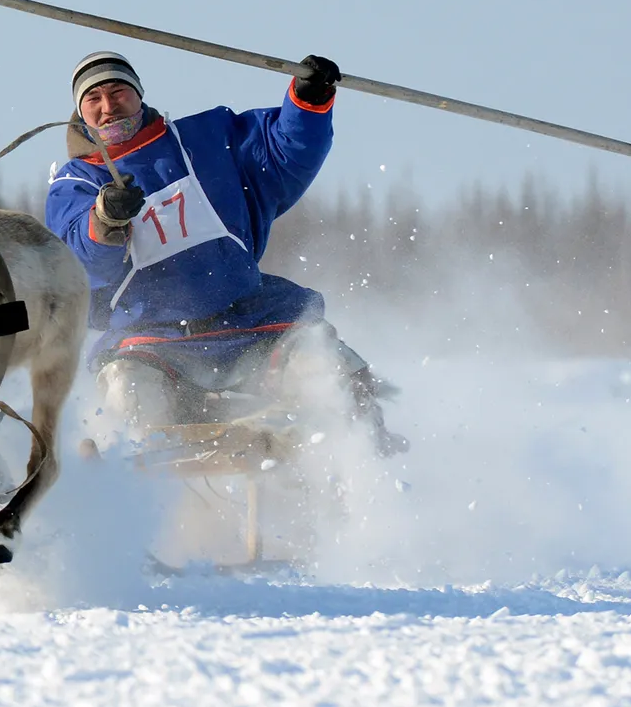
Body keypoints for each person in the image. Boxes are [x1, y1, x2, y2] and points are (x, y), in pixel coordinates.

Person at [44, 51, 405, 455]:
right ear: (80, 111)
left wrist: (308, 100)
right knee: (127, 396)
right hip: (152, 343)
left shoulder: (208, 139)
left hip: (255, 322)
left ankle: (363, 481)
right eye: (94, 99)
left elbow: (283, 151)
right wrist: (105, 221)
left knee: (331, 375)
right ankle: (141, 492)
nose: (109, 107)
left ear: (139, 95)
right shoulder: (74, 184)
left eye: (118, 91)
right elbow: (79, 263)